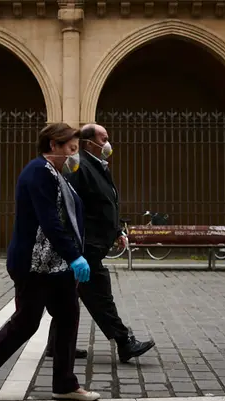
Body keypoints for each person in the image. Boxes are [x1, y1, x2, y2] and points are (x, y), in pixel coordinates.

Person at [0, 123, 100, 401]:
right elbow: (50, 221)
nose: (75, 155)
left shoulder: (57, 175)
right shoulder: (38, 173)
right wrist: (75, 256)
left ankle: (64, 384)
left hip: (55, 265)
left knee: (68, 318)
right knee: (26, 323)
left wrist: (72, 255)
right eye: (71, 149)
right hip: (34, 264)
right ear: (53, 146)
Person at [46, 123, 156, 363]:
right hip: (87, 245)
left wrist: (116, 229)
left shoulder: (98, 166)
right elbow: (71, 205)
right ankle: (124, 341)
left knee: (70, 294)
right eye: (103, 138)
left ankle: (56, 345)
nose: (107, 143)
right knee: (100, 294)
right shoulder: (81, 166)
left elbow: (104, 202)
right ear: (89, 143)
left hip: (95, 241)